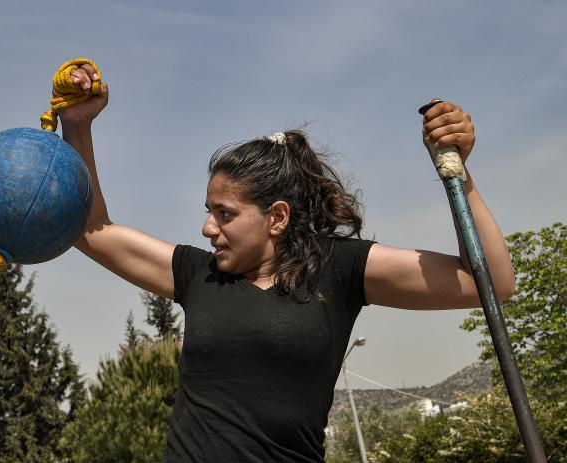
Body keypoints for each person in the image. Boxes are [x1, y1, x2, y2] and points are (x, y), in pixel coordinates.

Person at [57, 65, 515, 462]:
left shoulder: (339, 268)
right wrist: (78, 126)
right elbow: (91, 230)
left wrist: (457, 171)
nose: (207, 228)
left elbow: (490, 283)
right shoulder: (199, 276)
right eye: (208, 210)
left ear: (276, 217)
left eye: (225, 214)